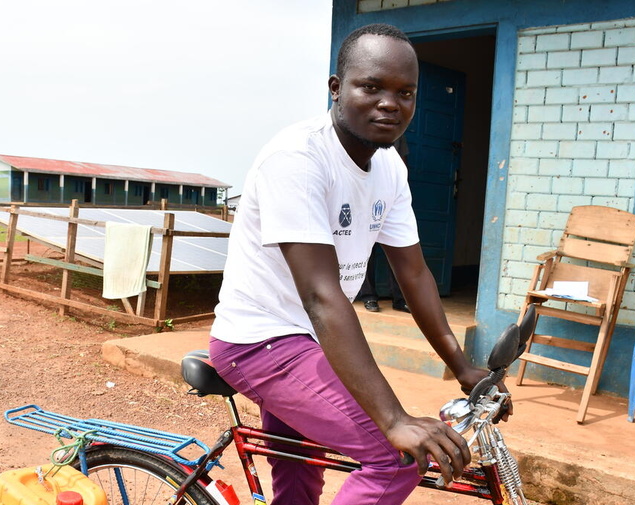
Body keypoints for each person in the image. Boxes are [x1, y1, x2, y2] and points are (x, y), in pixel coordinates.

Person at [209, 23, 493, 504]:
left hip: (311, 343)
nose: (390, 103)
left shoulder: (390, 167)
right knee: (397, 459)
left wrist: (462, 367)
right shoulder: (298, 159)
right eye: (372, 86)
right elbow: (321, 296)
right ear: (336, 88)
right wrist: (394, 420)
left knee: (300, 474)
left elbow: (414, 273)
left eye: (405, 92)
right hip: (260, 340)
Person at [358, 136, 410, 313]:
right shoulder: (360, 131)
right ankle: (369, 296)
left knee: (397, 249)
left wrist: (401, 189)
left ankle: (400, 299)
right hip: (365, 194)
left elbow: (403, 163)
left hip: (389, 196)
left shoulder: (398, 134)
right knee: (366, 249)